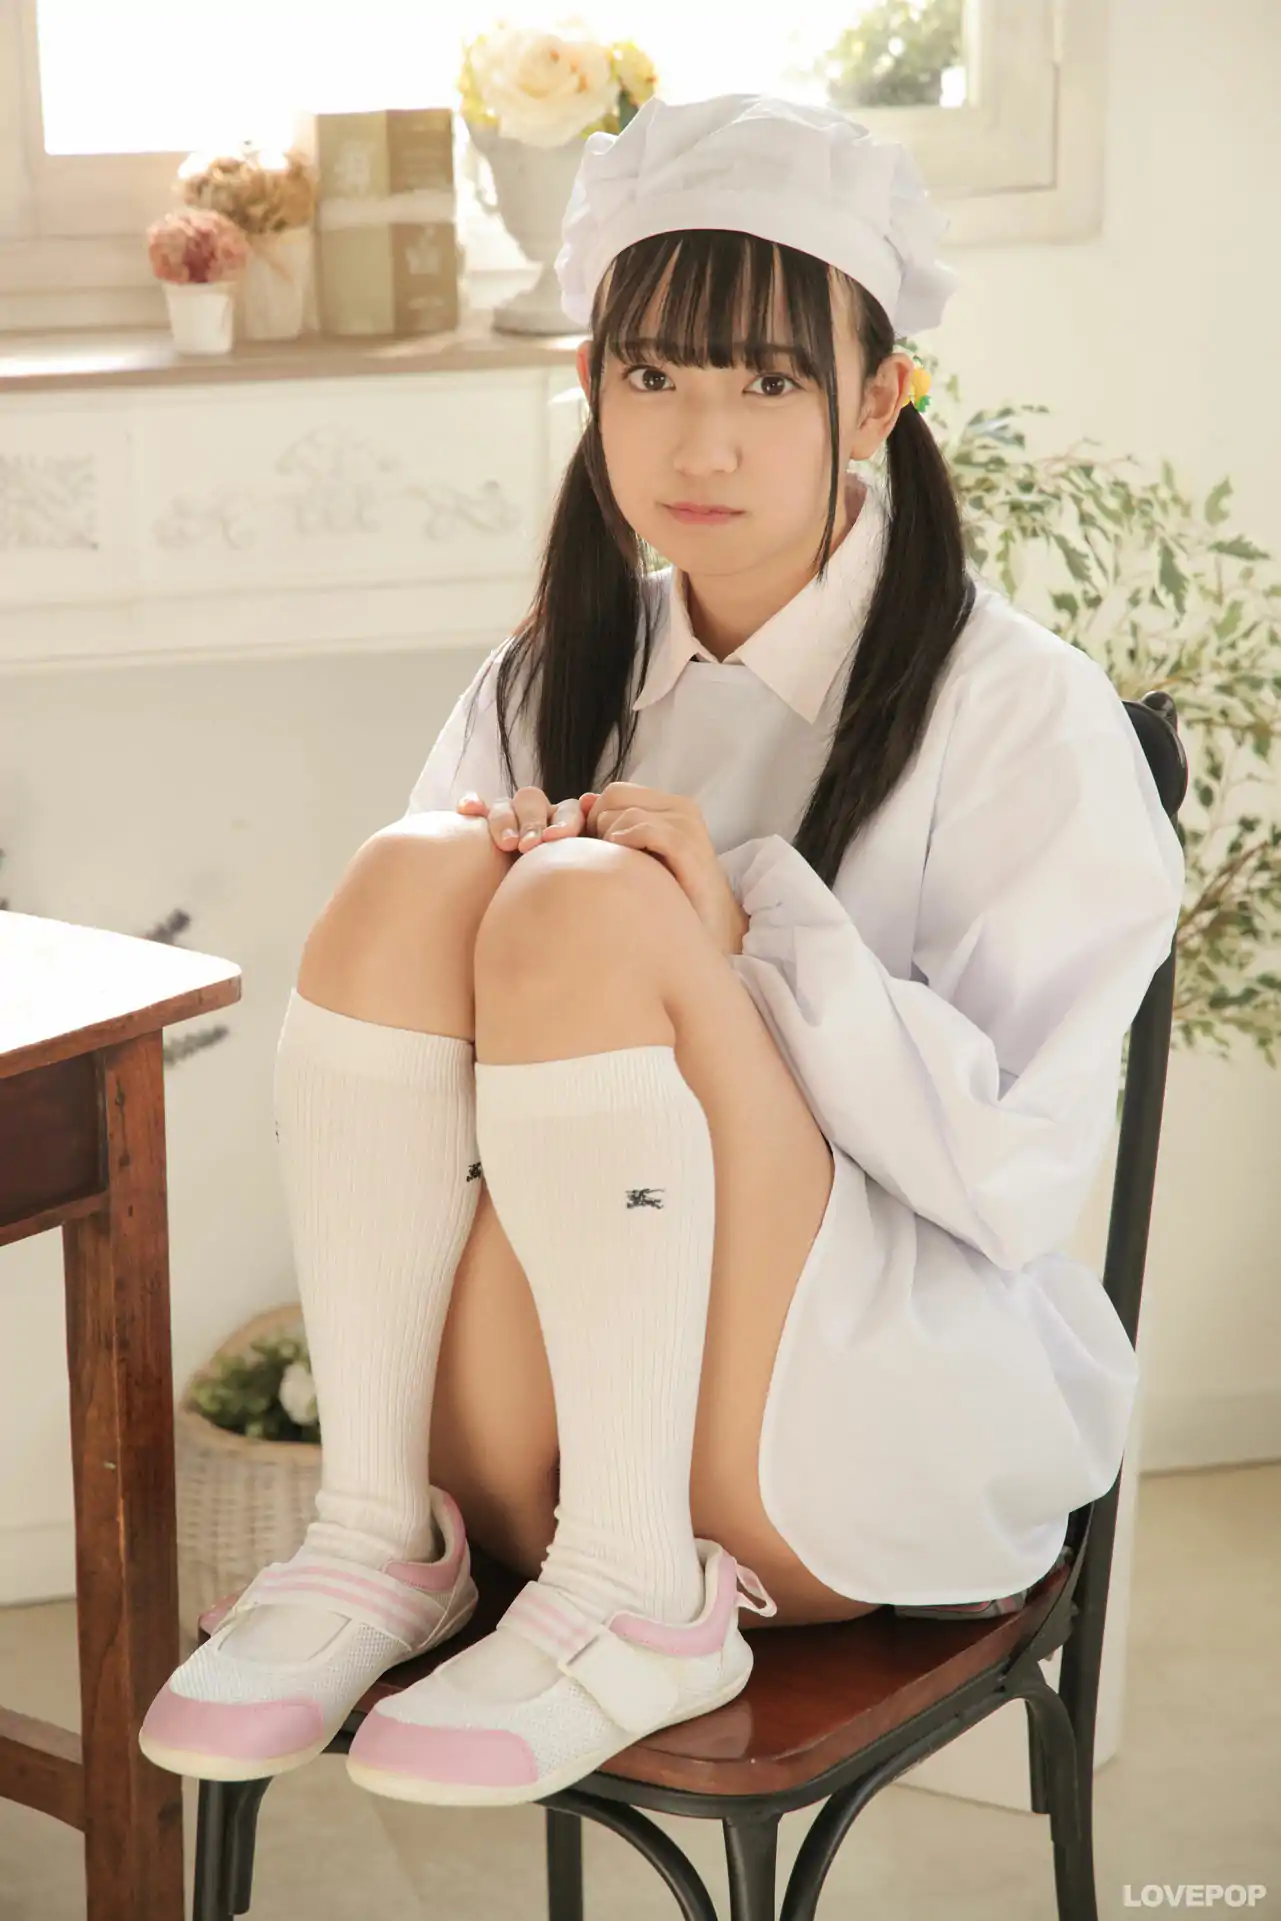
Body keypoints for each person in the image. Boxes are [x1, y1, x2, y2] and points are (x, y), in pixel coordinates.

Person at [138, 93, 1185, 1809]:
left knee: (589, 899)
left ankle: (640, 1589)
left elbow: (1011, 1176)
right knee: (423, 871)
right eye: (654, 375)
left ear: (879, 400)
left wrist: (743, 937)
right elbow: (423, 1109)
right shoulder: (552, 673)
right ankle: (376, 1528)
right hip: (535, 1434)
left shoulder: (1022, 715)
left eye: (768, 382)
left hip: (842, 1442)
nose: (703, 441)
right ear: (591, 386)